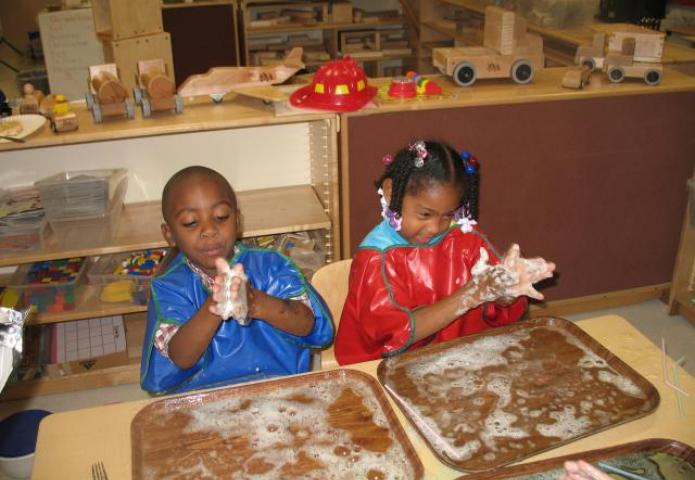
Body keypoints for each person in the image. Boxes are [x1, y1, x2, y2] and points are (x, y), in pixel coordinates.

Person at [334, 140, 555, 365]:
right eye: (424, 214)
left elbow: (496, 310)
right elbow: (392, 335)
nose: (435, 228)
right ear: (391, 192)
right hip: (394, 367)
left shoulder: (467, 240)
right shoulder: (376, 259)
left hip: (459, 359)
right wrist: (472, 294)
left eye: (448, 215)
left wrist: (505, 292)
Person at [140, 166, 333, 394]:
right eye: (191, 222)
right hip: (203, 397)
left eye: (221, 217)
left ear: (238, 221)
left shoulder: (271, 266)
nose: (209, 230)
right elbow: (180, 357)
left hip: (278, 390)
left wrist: (257, 303)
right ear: (169, 234)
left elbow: (308, 325)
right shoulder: (170, 287)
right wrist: (215, 306)